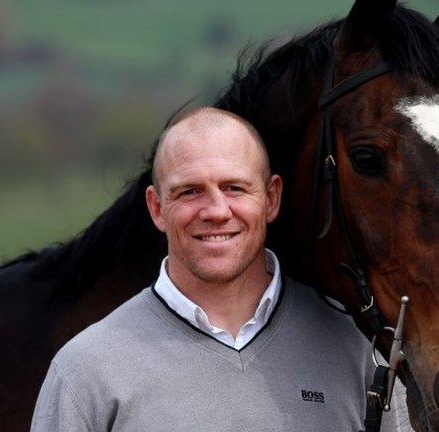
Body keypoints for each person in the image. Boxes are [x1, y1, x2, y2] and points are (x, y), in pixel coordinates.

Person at [30, 107, 408, 431]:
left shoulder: (355, 350)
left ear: (271, 198)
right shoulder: (86, 370)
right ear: (157, 208)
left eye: (234, 188)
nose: (215, 211)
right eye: (189, 191)